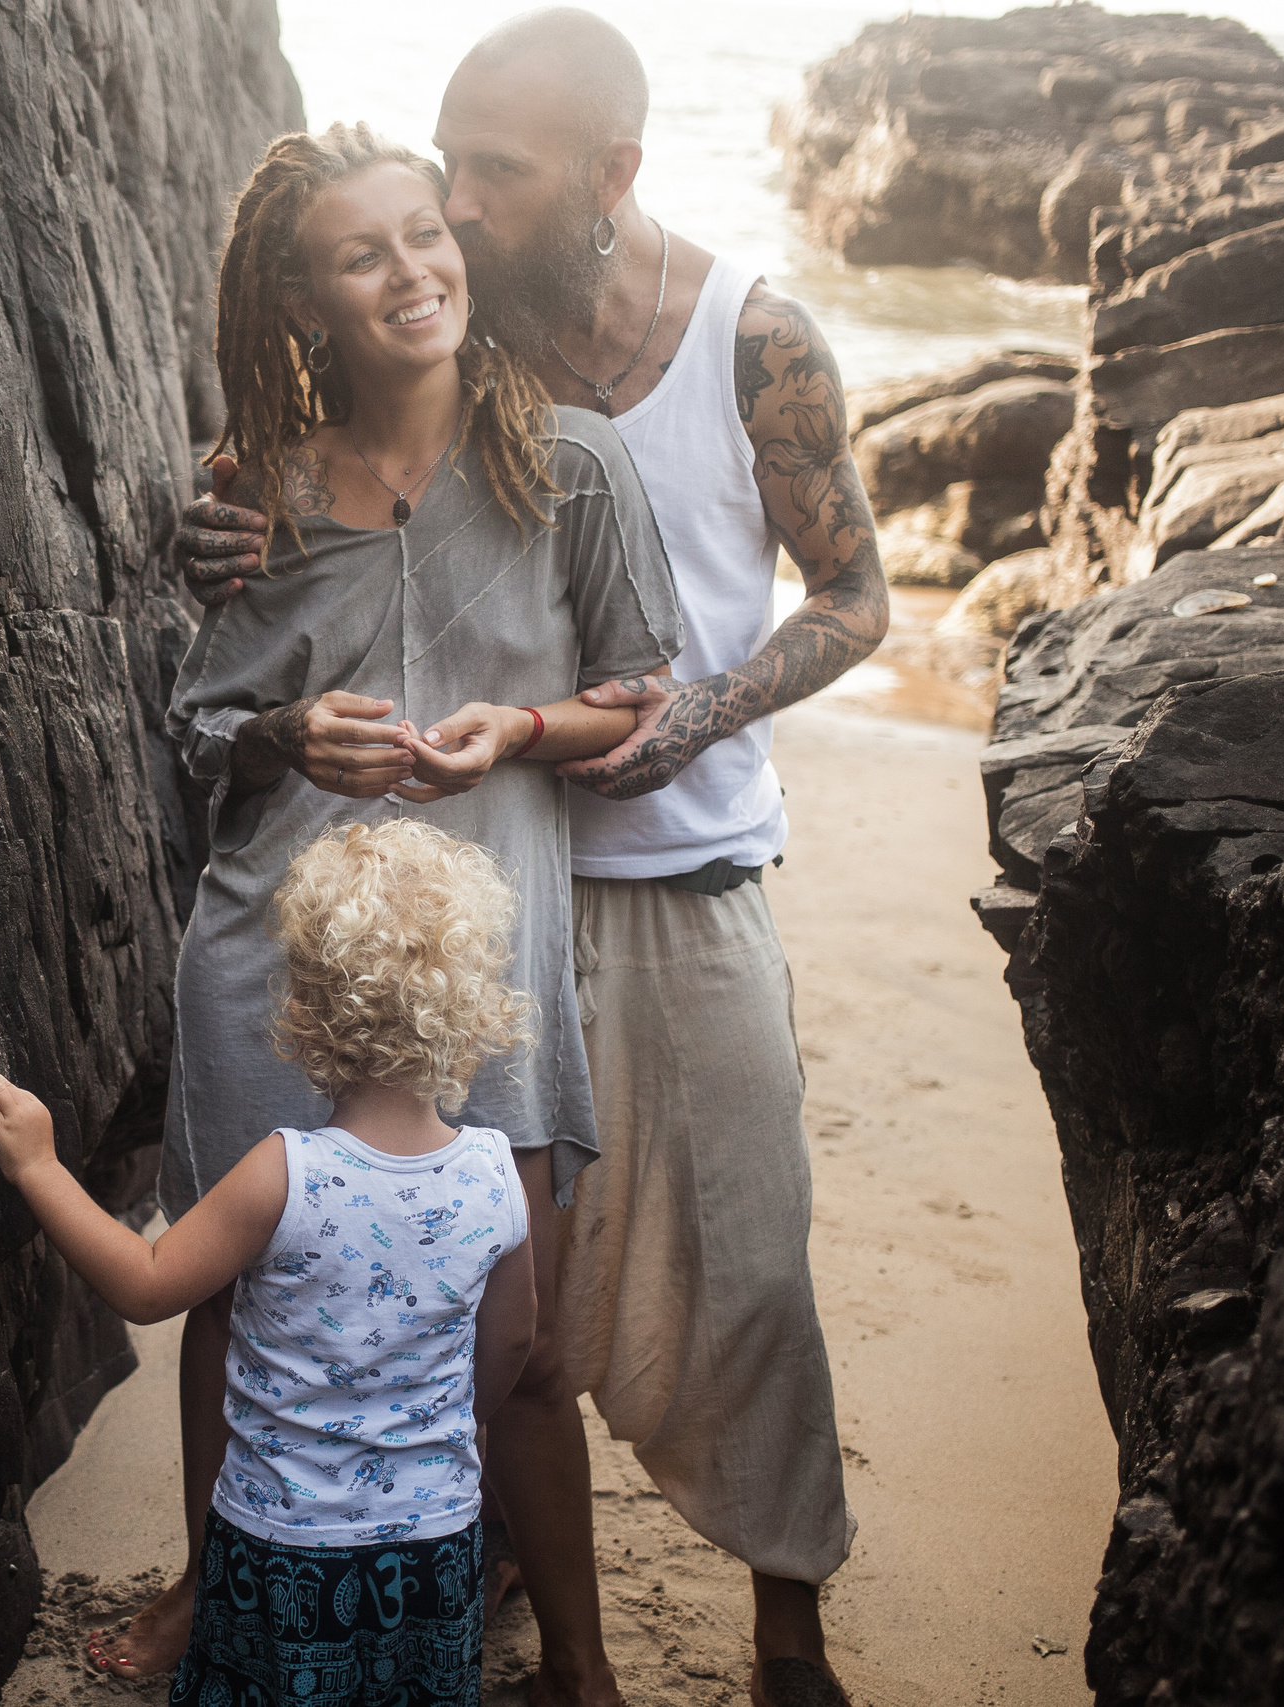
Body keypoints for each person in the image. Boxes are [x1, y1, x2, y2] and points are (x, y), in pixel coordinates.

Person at [173, 14, 890, 1707]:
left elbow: (849, 600)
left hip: (677, 863)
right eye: (450, 165)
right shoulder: (446, 322)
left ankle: (783, 1618)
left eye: (492, 176)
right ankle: (463, 1562)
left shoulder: (745, 339)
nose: (462, 212)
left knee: (738, 1259)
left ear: (613, 176)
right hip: (461, 891)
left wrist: (675, 718)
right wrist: (230, 531)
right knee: (456, 1294)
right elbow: (316, 435)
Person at [100, 115, 685, 1687]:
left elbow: (640, 690)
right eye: (362, 255)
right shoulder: (260, 491)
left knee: (525, 1343)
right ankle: (215, 1589)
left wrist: (524, 730)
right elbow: (198, 727)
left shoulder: (571, 459)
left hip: (473, 968)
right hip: (275, 951)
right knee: (234, 1296)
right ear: (305, 302)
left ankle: (580, 1654)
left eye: (423, 232)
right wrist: (290, 731)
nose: (411, 269)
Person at [0, 819, 541, 1707]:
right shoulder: (496, 1175)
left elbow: (148, 1283)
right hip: (435, 1541)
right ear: (474, 1005)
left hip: (282, 1546)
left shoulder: (286, 1171)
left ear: (305, 1012)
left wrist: (39, 1166)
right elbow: (506, 1350)